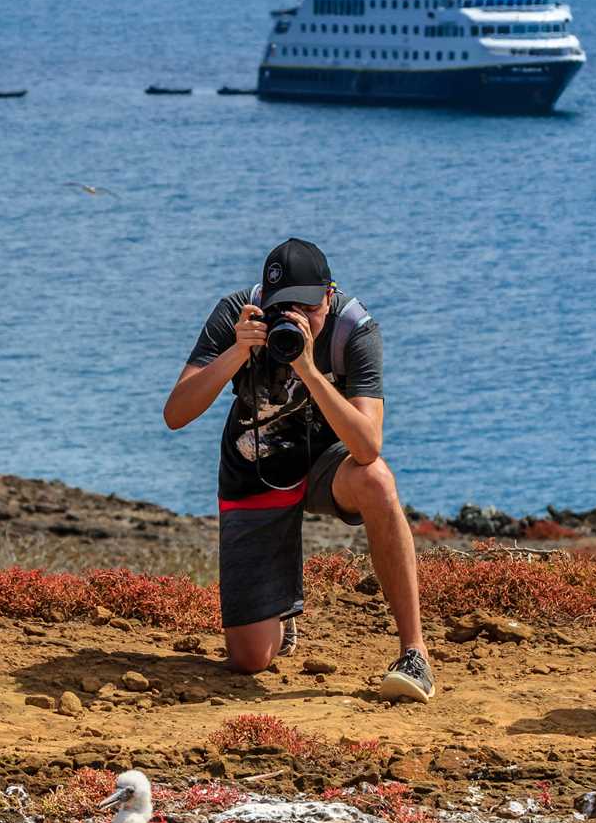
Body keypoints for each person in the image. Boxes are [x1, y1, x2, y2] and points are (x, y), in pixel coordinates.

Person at [163, 239, 436, 702]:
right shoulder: (238, 314)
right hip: (256, 466)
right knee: (249, 661)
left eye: (306, 307)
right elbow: (176, 413)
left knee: (377, 479)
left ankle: (415, 653)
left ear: (329, 296)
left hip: (328, 465)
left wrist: (308, 368)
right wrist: (235, 352)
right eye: (282, 307)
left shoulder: (355, 329)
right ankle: (278, 617)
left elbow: (367, 445)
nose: (293, 318)